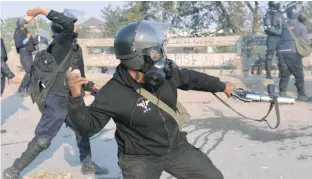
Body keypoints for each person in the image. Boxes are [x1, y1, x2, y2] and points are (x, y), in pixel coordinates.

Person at [67, 20, 236, 179]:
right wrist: (75, 98)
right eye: (155, 52)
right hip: (140, 159)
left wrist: (221, 86)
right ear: (138, 59)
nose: (161, 56)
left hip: (175, 147)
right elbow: (88, 127)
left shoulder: (165, 73)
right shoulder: (113, 93)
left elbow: (192, 78)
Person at [3, 8, 108, 179]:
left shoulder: (74, 47)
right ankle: (13, 170)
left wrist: (90, 87)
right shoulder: (60, 45)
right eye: (71, 24)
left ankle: (88, 165)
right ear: (62, 29)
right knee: (43, 140)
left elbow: (76, 75)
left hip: (71, 98)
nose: (75, 26)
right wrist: (43, 11)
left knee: (82, 129)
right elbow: (66, 24)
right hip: (56, 100)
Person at [277, 6, 311, 101]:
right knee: (298, 74)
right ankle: (301, 95)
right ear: (296, 13)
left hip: (281, 53)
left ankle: (282, 94)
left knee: (284, 74)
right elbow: (306, 42)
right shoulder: (301, 26)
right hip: (293, 52)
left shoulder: (284, 25)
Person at [14, 17, 39, 96]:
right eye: (25, 23)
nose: (26, 24)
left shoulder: (26, 32)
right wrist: (27, 38)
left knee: (32, 72)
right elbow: (18, 44)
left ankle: (28, 90)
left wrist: (38, 38)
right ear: (21, 24)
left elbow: (33, 42)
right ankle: (21, 89)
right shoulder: (18, 33)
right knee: (29, 72)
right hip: (24, 53)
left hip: (29, 53)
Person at [263, 1, 284, 79]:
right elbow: (267, 28)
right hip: (272, 37)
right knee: (269, 56)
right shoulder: (268, 14)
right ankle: (268, 74)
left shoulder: (280, 14)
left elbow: (283, 26)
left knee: (281, 56)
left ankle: (281, 73)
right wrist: (279, 32)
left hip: (280, 38)